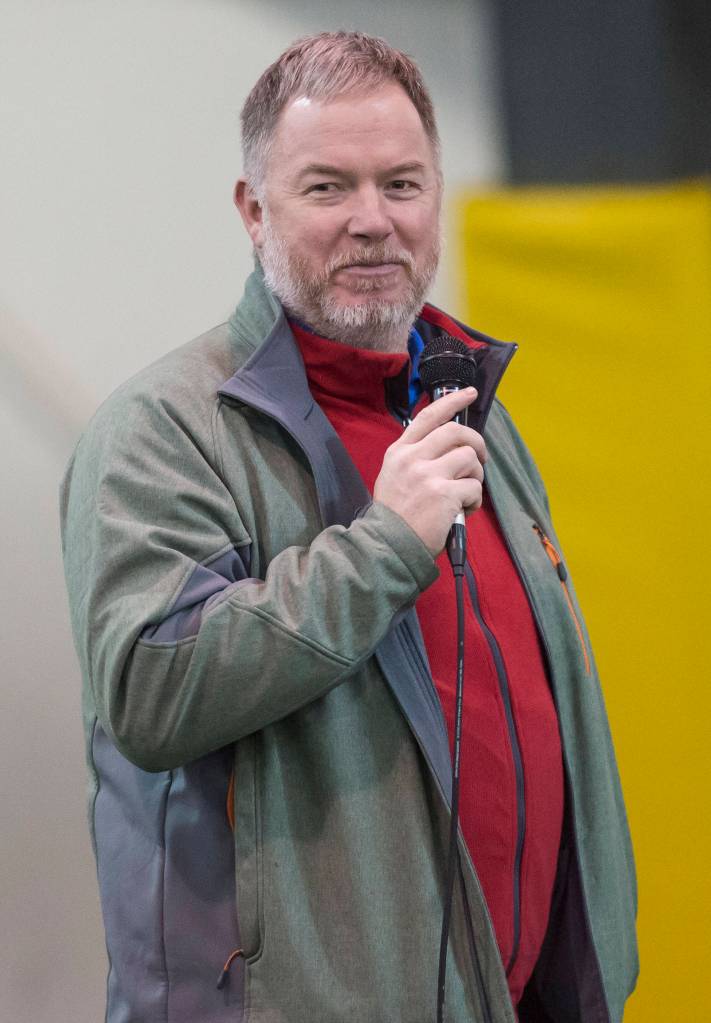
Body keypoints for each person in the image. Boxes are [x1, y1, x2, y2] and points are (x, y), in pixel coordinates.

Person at [60, 31, 638, 1023]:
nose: (375, 222)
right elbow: (152, 692)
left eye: (403, 185)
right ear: (253, 210)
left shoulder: (471, 414)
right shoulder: (160, 434)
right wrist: (385, 548)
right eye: (328, 188)